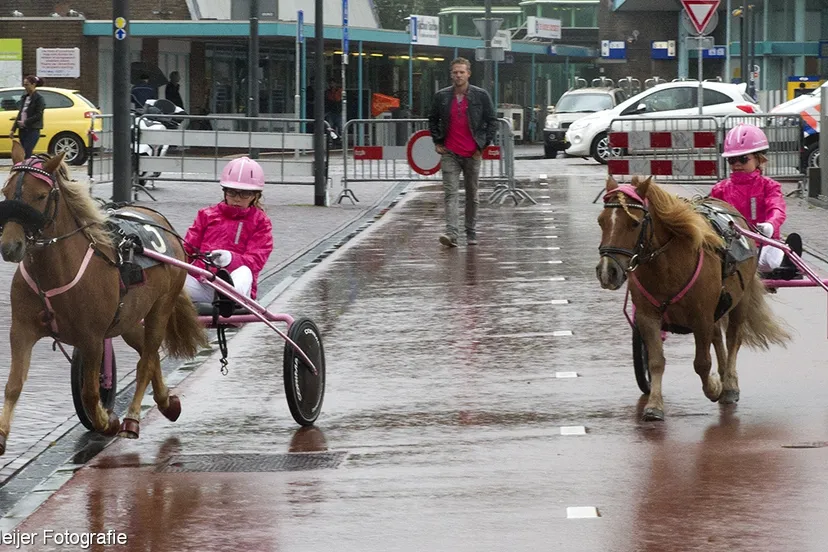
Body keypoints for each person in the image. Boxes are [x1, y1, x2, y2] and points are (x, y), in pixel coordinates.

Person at [710, 123, 802, 277]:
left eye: (743, 159)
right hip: (732, 244)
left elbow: (777, 208)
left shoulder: (769, 186)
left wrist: (770, 225)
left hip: (764, 242)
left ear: (759, 159)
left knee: (768, 261)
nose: (737, 164)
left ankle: (788, 261)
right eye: (732, 160)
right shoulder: (720, 189)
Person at [428, 57, 497, 247]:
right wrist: (437, 140)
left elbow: (492, 121)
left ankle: (471, 230)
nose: (458, 75)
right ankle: (452, 234)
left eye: (461, 72)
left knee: (471, 194)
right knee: (450, 194)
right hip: (450, 152)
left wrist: (481, 146)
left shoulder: (480, 95)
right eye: (455, 72)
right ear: (451, 74)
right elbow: (432, 119)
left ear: (469, 73)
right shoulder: (442, 96)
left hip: (472, 152)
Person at [183, 157, 274, 302]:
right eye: (232, 192)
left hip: (237, 285)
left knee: (245, 271)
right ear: (225, 192)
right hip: (202, 284)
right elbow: (187, 250)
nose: (237, 199)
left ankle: (228, 299)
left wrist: (230, 259)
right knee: (171, 278)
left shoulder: (261, 222)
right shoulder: (205, 215)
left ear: (255, 196)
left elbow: (256, 261)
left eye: (244, 194)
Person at [9, 75, 45, 158]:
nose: (25, 87)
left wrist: (25, 122)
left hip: (32, 130)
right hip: (22, 130)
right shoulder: (24, 97)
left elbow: (38, 115)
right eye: (24, 85)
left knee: (26, 152)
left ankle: (26, 169)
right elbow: (20, 113)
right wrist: (13, 129)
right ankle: (24, 169)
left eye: (27, 84)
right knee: (22, 152)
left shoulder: (39, 98)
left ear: (33, 84)